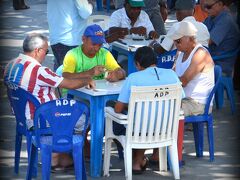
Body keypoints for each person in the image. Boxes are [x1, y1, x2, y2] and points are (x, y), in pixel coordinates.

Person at [3, 33, 95, 171]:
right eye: (46, 51)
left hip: (22, 117)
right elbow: (68, 84)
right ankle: (57, 156)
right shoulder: (38, 71)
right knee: (87, 116)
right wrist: (87, 79)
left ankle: (59, 155)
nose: (46, 55)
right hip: (42, 120)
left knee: (64, 107)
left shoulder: (10, 65)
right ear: (37, 51)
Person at [113, 46, 182, 173]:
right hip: (165, 129)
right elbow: (179, 100)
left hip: (139, 130)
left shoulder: (134, 78)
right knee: (147, 118)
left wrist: (132, 105)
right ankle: (138, 160)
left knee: (116, 116)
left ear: (137, 64)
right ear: (156, 60)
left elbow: (118, 109)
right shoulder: (172, 75)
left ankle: (135, 158)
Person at [47, 0, 94, 70]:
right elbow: (85, 12)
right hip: (71, 40)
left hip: (55, 37)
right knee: (72, 76)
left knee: (60, 72)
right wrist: (91, 4)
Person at [203, 0, 240, 76]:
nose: (206, 10)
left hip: (220, 63)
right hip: (211, 57)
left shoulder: (225, 20)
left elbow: (207, 41)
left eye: (209, 7)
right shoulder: (212, 17)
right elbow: (199, 32)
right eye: (205, 7)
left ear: (219, 4)